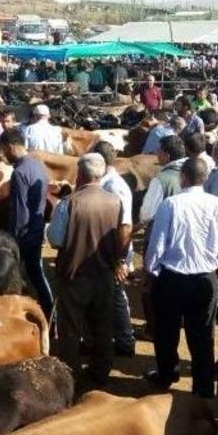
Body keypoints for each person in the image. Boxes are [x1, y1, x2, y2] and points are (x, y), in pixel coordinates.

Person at [144, 157, 218, 397]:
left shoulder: (170, 204)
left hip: (172, 278)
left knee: (166, 331)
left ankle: (167, 374)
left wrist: (154, 271)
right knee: (202, 336)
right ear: (206, 178)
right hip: (204, 280)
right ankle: (203, 388)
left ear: (182, 178)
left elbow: (156, 246)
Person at [47, 153, 129, 385]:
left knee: (70, 327)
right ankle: (101, 371)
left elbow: (55, 240)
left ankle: (69, 376)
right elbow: (122, 236)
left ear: (80, 174)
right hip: (104, 274)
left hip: (74, 274)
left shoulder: (69, 203)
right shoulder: (115, 201)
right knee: (102, 324)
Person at [0, 128, 54, 318]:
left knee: (28, 274)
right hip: (37, 228)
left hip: (24, 235)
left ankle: (42, 309)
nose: (4, 155)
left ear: (11, 147)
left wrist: (12, 240)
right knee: (36, 272)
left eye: (4, 150)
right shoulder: (37, 166)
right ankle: (49, 309)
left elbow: (19, 211)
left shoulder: (19, 173)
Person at [93, 142, 136, 357]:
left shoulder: (113, 187)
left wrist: (120, 259)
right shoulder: (110, 183)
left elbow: (125, 225)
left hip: (115, 248)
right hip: (112, 247)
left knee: (117, 294)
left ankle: (125, 339)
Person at [139, 135, 187, 224]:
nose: (156, 153)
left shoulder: (160, 180)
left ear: (167, 155)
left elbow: (147, 215)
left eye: (159, 150)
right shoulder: (195, 173)